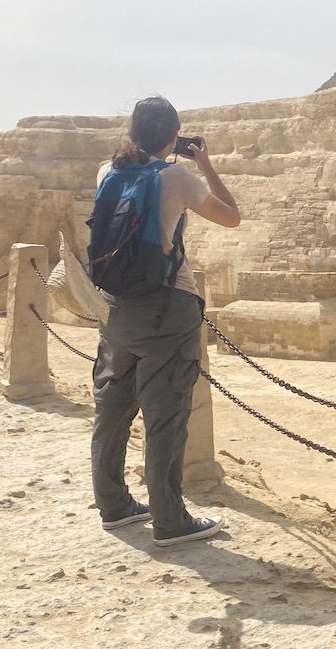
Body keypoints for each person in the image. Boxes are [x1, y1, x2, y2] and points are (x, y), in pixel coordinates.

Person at [91, 96, 241, 547]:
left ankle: (114, 506)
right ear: (174, 136)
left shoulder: (106, 171)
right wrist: (207, 165)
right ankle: (170, 521)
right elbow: (231, 217)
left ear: (132, 133)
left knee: (113, 407)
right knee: (166, 415)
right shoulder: (176, 176)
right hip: (166, 308)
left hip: (115, 307)